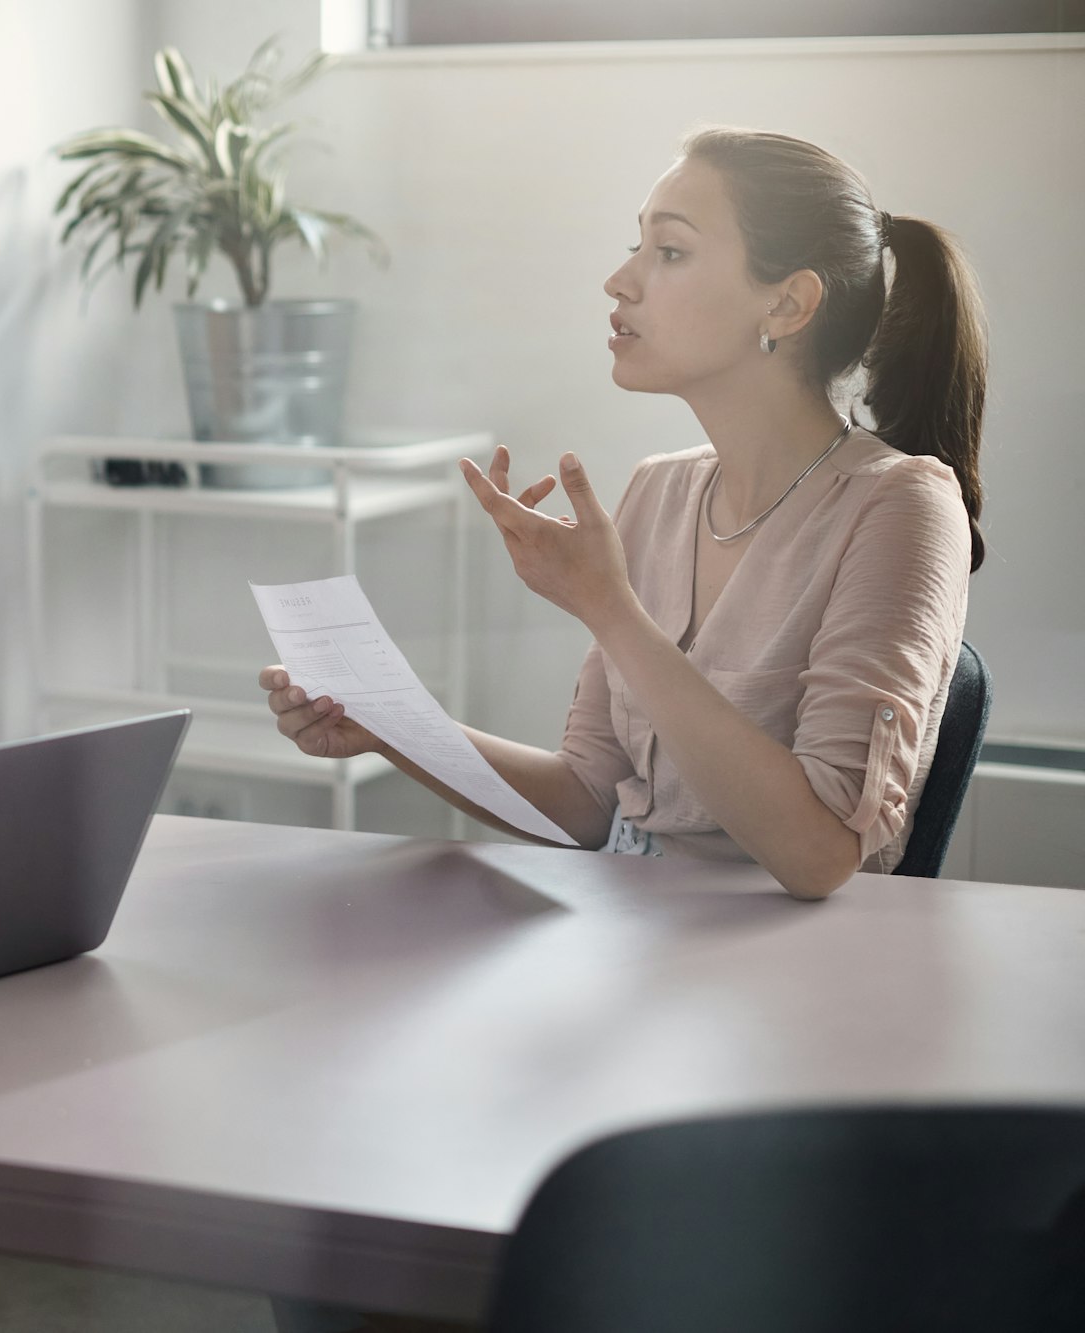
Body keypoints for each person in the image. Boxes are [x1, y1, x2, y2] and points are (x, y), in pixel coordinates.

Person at [263, 127, 985, 901]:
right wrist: (390, 727)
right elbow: (586, 800)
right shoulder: (659, 491)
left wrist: (607, 607)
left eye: (669, 252)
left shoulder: (901, 506)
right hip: (628, 937)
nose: (619, 281)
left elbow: (818, 854)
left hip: (787, 977)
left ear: (787, 301)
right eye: (635, 246)